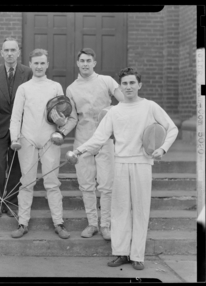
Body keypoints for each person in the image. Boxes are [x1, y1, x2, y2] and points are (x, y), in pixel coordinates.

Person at [69, 67, 178, 270]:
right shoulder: (114, 111)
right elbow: (99, 138)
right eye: (125, 84)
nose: (128, 87)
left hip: (142, 164)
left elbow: (172, 128)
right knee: (119, 209)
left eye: (132, 83)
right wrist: (79, 151)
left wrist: (162, 148)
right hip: (119, 163)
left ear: (139, 85)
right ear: (120, 87)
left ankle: (137, 255)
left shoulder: (150, 106)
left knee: (140, 209)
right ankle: (121, 252)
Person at [9, 49, 77, 239]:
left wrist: (61, 125)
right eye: (35, 63)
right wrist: (15, 138)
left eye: (42, 63)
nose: (39, 67)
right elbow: (16, 117)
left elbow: (62, 115)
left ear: (47, 65)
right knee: (26, 182)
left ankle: (59, 223)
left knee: (52, 182)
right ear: (30, 64)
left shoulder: (55, 87)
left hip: (49, 140)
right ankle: (22, 223)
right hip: (27, 139)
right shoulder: (24, 88)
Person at [66, 48, 125, 241]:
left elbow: (125, 102)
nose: (85, 64)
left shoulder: (106, 81)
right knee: (86, 184)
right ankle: (92, 223)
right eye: (82, 60)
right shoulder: (72, 88)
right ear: (78, 63)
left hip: (105, 139)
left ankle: (105, 225)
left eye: (88, 60)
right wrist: (61, 129)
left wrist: (109, 110)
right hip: (83, 139)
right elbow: (73, 118)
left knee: (106, 184)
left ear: (94, 62)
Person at [0, 37, 33, 217]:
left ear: (18, 52)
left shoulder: (28, 73)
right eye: (6, 50)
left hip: (21, 127)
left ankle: (12, 201)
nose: (10, 53)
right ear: (1, 53)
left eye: (13, 50)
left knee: (16, 165)